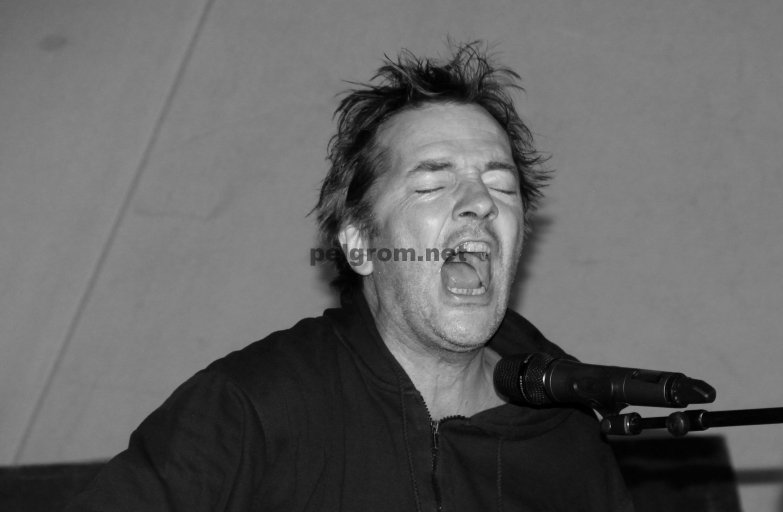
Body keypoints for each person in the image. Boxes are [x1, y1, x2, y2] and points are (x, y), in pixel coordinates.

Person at [66, 42, 633, 511]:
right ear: (361, 244)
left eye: (501, 185)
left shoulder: (567, 432)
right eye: (433, 184)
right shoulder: (250, 405)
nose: (481, 203)